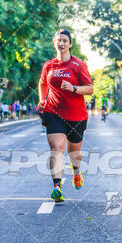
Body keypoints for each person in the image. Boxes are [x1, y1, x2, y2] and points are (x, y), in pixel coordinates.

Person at [38, 29, 93, 203]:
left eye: (64, 40)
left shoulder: (78, 65)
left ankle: (76, 172)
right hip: (53, 112)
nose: (61, 43)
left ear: (70, 44)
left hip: (77, 115)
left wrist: (74, 88)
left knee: (74, 153)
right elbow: (42, 83)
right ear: (54, 42)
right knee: (57, 147)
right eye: (58, 40)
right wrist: (42, 100)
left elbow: (90, 89)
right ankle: (57, 186)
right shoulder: (49, 65)